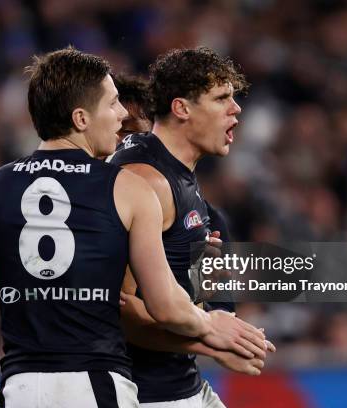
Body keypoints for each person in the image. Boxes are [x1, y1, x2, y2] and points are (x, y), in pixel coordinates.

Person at [0, 47, 267, 408]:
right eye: (113, 104)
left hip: (19, 384)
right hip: (96, 381)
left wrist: (44, 298)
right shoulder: (126, 187)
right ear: (82, 118)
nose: (122, 116)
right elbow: (165, 305)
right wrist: (212, 330)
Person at [111, 48, 271, 407]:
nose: (236, 109)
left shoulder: (183, 181)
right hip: (146, 394)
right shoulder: (145, 180)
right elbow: (119, 309)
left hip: (183, 384)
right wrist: (212, 340)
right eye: (221, 99)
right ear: (181, 108)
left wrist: (212, 311)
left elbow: (197, 301)